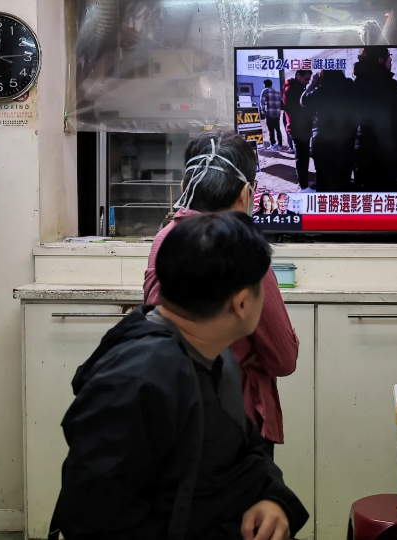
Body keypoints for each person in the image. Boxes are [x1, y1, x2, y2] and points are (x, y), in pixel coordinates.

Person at [51, 212, 309, 540]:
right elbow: (93, 517)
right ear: (242, 303)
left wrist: (272, 498)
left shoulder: (216, 357)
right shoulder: (135, 381)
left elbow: (244, 450)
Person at [145, 131, 298, 457]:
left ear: (188, 181)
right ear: (247, 193)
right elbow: (284, 358)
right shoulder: (244, 251)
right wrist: (247, 355)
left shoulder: (165, 240)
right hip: (235, 426)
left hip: (170, 419)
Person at [353, 46, 397, 192]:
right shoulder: (392, 87)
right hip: (389, 155)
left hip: (362, 154)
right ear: (380, 60)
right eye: (389, 56)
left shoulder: (355, 86)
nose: (392, 60)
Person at [301, 69, 358, 192]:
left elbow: (303, 101)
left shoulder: (321, 91)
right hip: (345, 141)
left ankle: (327, 207)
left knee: (324, 178)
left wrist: (312, 84)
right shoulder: (350, 89)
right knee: (344, 178)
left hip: (322, 142)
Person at [283, 69, 313, 189]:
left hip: (302, 127)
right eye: (306, 79)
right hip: (298, 128)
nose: (307, 82)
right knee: (302, 157)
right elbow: (300, 107)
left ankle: (303, 183)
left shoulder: (297, 87)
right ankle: (303, 186)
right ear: (298, 75)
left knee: (304, 156)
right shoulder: (292, 89)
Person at [260, 79, 284, 151]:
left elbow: (262, 103)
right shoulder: (277, 92)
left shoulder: (265, 91)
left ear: (265, 84)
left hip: (269, 113)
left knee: (271, 130)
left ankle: (273, 144)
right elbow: (281, 102)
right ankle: (280, 144)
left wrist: (264, 112)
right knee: (278, 129)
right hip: (277, 113)